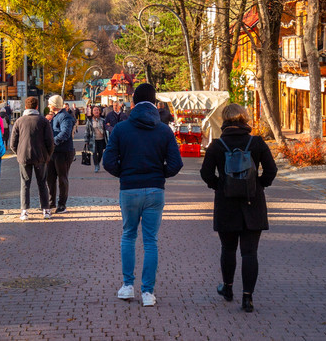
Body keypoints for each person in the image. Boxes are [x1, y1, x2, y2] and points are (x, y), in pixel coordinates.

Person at [103, 82, 183, 307]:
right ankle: (148, 292)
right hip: (155, 190)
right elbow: (176, 164)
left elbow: (108, 161)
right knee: (151, 241)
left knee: (128, 235)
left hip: (129, 189)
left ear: (133, 103)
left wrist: (125, 174)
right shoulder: (164, 130)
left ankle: (128, 286)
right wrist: (159, 174)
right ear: (155, 104)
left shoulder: (121, 129)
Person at [200, 104, 277, 313]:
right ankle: (248, 298)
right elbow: (271, 170)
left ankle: (227, 288)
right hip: (253, 203)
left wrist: (220, 186)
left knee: (228, 249)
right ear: (245, 119)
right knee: (250, 252)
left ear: (224, 120)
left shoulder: (217, 145)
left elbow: (206, 174)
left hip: (226, 204)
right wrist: (259, 185)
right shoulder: (257, 142)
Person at [9, 96, 55, 220]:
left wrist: (19, 153)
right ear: (36, 107)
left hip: (24, 156)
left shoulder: (19, 121)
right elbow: (50, 141)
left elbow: (13, 142)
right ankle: (46, 210)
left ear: (25, 107)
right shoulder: (43, 121)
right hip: (40, 157)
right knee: (42, 183)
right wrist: (48, 155)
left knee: (25, 184)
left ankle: (24, 211)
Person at [46, 95, 76, 214]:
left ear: (54, 105)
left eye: (49, 104)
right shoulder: (57, 116)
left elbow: (65, 133)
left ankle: (62, 204)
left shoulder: (64, 117)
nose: (48, 106)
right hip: (54, 152)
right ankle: (51, 202)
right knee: (50, 178)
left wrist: (53, 142)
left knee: (62, 178)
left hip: (63, 152)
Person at [85, 105, 109, 172]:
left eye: (97, 110)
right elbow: (87, 130)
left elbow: (106, 129)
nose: (96, 111)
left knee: (101, 153)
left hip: (101, 139)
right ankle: (96, 165)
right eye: (95, 110)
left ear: (99, 111)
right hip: (93, 140)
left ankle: (98, 163)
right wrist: (86, 140)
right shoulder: (90, 121)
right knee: (94, 153)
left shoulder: (103, 120)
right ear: (92, 112)